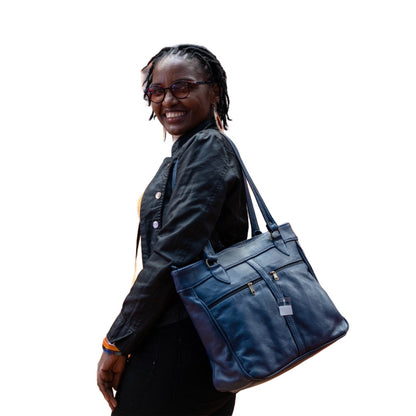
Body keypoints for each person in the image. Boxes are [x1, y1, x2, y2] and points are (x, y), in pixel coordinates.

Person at [97, 44, 248, 416]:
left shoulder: (208, 149)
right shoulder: (188, 153)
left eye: (182, 86)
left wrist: (117, 341)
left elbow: (173, 254)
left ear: (213, 91)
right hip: (190, 338)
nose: (168, 100)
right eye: (156, 91)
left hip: (181, 341)